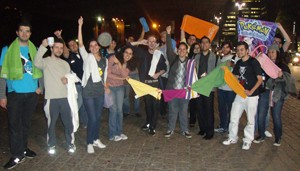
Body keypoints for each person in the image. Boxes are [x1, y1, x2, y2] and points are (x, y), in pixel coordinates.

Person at [0, 21, 43, 169]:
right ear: (17, 32)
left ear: (30, 33)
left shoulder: (35, 49)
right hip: (15, 94)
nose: (24, 33)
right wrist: (2, 95)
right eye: (22, 31)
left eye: (27, 31)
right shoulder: (7, 49)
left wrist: (40, 87)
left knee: (25, 124)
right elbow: (3, 74)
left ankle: (23, 148)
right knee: (14, 125)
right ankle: (17, 155)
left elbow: (40, 70)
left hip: (31, 94)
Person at [34, 38, 76, 155]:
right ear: (52, 48)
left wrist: (68, 79)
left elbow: (72, 77)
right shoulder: (45, 61)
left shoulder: (65, 64)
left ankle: (70, 143)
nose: (59, 50)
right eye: (56, 47)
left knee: (68, 122)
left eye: (61, 48)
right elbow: (36, 62)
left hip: (64, 98)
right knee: (51, 123)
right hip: (51, 98)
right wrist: (43, 46)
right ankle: (51, 144)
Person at [223, 41, 263, 150]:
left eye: (242, 50)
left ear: (247, 50)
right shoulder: (239, 63)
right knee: (234, 116)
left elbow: (260, 79)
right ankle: (232, 137)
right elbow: (235, 78)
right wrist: (227, 72)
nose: (240, 52)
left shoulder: (253, 62)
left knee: (250, 119)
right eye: (238, 50)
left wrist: (251, 91)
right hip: (240, 94)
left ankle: (248, 140)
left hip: (252, 96)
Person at [253, 43, 296, 146]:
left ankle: (278, 137)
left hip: (278, 93)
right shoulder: (264, 64)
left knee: (276, 115)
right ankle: (261, 135)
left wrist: (281, 76)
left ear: (277, 53)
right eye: (269, 52)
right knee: (261, 114)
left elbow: (289, 79)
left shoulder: (283, 65)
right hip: (265, 92)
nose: (271, 54)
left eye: (273, 52)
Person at [78, 16, 107, 153]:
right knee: (92, 118)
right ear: (89, 48)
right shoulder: (87, 57)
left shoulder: (104, 60)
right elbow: (80, 45)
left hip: (99, 92)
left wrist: (105, 85)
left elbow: (104, 75)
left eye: (96, 45)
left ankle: (96, 139)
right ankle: (89, 142)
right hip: (88, 92)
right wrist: (80, 26)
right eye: (91, 46)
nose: (94, 47)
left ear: (99, 46)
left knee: (98, 117)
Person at [130, 34, 166, 136]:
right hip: (145, 85)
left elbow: (165, 68)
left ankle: (152, 126)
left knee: (155, 106)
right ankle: (148, 122)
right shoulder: (142, 54)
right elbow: (129, 45)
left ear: (156, 43)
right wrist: (139, 42)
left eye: (153, 41)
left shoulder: (159, 55)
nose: (151, 43)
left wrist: (158, 74)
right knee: (147, 106)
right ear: (147, 43)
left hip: (156, 85)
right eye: (149, 41)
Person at [54, 30, 88, 128]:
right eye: (70, 45)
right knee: (78, 103)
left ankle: (85, 122)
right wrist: (60, 38)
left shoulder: (83, 53)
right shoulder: (69, 55)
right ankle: (69, 120)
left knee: (84, 104)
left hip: (85, 83)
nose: (72, 45)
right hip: (77, 84)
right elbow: (64, 50)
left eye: (74, 43)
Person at [164, 26, 192, 138]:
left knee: (184, 111)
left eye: (184, 49)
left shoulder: (190, 63)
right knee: (172, 110)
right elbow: (168, 48)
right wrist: (168, 34)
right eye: (180, 49)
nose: (181, 51)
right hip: (172, 90)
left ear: (186, 51)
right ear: (178, 50)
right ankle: (170, 129)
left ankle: (184, 130)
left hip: (184, 91)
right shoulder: (173, 58)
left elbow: (192, 77)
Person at [107, 46, 135, 141]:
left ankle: (119, 132)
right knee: (113, 110)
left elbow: (124, 75)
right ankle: (112, 134)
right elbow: (107, 74)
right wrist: (120, 78)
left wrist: (119, 64)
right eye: (126, 52)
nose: (128, 55)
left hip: (119, 88)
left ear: (132, 56)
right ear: (122, 52)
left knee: (120, 110)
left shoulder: (129, 65)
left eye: (130, 53)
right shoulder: (112, 58)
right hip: (110, 87)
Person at [195, 36, 218, 140]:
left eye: (206, 42)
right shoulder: (196, 57)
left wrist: (209, 74)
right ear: (200, 44)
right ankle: (202, 128)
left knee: (208, 109)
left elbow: (218, 71)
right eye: (202, 43)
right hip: (199, 86)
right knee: (200, 109)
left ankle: (210, 131)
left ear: (209, 44)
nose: (204, 44)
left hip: (209, 87)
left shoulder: (215, 57)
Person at [214, 42, 238, 133]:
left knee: (231, 109)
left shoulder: (235, 58)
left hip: (231, 89)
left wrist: (232, 65)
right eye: (223, 47)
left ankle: (231, 127)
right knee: (222, 108)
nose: (225, 49)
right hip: (221, 88)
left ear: (230, 48)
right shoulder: (220, 58)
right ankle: (223, 125)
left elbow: (239, 68)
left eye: (227, 47)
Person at [187, 42, 201, 128]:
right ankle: (192, 120)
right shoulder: (189, 58)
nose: (196, 49)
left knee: (198, 103)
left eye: (198, 48)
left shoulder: (202, 57)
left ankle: (200, 119)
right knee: (192, 102)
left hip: (199, 83)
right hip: (191, 83)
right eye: (195, 48)